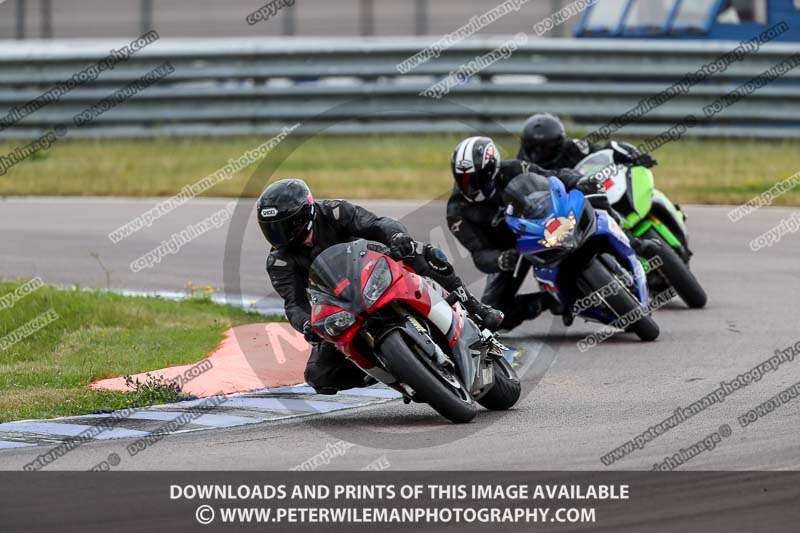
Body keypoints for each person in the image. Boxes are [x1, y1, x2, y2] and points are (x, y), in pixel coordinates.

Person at [258, 178, 503, 395]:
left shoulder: (334, 212)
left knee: (424, 254)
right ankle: (388, 368)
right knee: (318, 375)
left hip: (370, 268)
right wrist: (306, 324)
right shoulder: (279, 261)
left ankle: (476, 308)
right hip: (338, 304)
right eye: (272, 229)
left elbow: (378, 224)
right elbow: (294, 304)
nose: (279, 235)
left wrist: (397, 237)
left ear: (305, 214)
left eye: (285, 226)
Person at [446, 136, 606, 331]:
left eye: (476, 177)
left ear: (492, 168)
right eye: (462, 178)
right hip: (514, 251)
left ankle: (634, 244)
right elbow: (479, 253)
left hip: (543, 224)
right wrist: (500, 260)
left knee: (596, 204)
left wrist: (579, 180)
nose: (470, 185)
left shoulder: (514, 168)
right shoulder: (456, 212)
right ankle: (546, 300)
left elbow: (553, 176)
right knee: (491, 315)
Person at [517, 113, 657, 171]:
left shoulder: (574, 148)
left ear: (559, 145)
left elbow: (606, 150)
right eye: (533, 148)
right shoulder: (521, 163)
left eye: (546, 148)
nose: (539, 153)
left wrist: (634, 155)